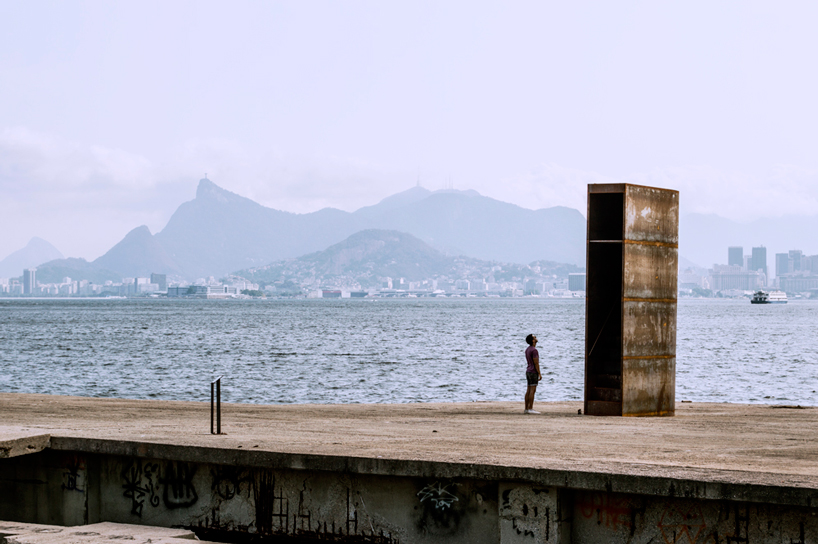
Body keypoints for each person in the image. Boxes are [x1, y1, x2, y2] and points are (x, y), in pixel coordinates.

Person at [524, 333, 542, 414]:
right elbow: (536, 363)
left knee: (528, 389)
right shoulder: (534, 350)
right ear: (533, 340)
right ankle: (530, 408)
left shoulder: (527, 349)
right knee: (532, 390)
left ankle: (526, 408)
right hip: (533, 371)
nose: (536, 338)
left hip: (528, 370)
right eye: (534, 337)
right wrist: (539, 373)